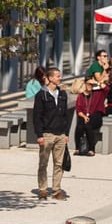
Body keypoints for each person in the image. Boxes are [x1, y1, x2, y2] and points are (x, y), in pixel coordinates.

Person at [32, 67, 70, 200]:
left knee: (59, 164)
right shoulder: (41, 95)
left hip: (60, 134)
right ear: (51, 78)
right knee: (43, 163)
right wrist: (39, 135)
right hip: (47, 134)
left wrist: (66, 134)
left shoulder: (63, 94)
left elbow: (65, 115)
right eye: (58, 76)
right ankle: (42, 189)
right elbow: (37, 116)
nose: (60, 78)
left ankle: (56, 190)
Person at [73, 77, 107, 156]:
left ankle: (91, 149)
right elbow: (79, 109)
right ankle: (77, 148)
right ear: (85, 84)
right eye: (88, 84)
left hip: (96, 116)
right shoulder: (81, 96)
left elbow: (107, 89)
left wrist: (97, 83)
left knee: (88, 126)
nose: (90, 86)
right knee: (79, 126)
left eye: (92, 85)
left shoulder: (98, 93)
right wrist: (85, 117)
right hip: (84, 116)